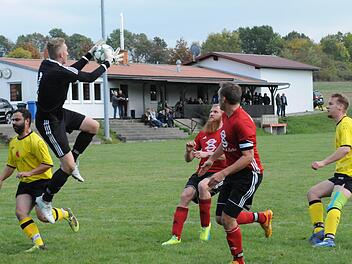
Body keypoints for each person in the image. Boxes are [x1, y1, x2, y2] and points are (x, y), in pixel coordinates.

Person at [35, 37, 122, 223]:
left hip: (59, 113)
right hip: (48, 122)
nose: (67, 53)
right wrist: (108, 63)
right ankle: (45, 200)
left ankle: (74, 158)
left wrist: (90, 54)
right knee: (67, 167)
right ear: (60, 55)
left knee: (93, 126)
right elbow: (89, 78)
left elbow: (72, 69)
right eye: (66, 51)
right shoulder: (57, 72)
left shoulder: (48, 65)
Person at [199, 82, 273, 264]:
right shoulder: (226, 116)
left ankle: (238, 260)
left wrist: (222, 173)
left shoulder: (242, 122)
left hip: (248, 174)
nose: (216, 99)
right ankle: (262, 217)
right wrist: (211, 159)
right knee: (220, 218)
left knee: (228, 218)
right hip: (233, 173)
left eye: (218, 95)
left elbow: (248, 157)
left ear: (224, 99)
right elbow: (224, 142)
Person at [0, 109, 79, 252]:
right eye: (12, 120)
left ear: (27, 121)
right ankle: (39, 244)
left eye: (17, 120)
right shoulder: (13, 142)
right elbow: (10, 165)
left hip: (41, 182)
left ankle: (66, 213)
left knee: (42, 217)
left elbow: (48, 164)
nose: (13, 123)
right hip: (25, 184)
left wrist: (29, 172)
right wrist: (1, 179)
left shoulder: (36, 141)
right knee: (20, 212)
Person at [162, 105, 227, 245]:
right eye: (211, 111)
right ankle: (175, 237)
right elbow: (188, 159)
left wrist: (208, 154)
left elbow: (229, 155)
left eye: (215, 111)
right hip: (202, 171)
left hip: (220, 173)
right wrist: (189, 151)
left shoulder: (226, 132)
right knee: (185, 195)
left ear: (223, 114)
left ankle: (205, 228)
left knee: (203, 186)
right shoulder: (203, 133)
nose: (211, 114)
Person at [307, 93, 352, 248]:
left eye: (331, 104)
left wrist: (323, 162)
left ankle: (329, 240)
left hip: (349, 175)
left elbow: (345, 149)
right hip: (341, 174)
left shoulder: (345, 124)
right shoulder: (341, 124)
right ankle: (319, 231)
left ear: (340, 107)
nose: (328, 106)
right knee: (313, 192)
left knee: (334, 204)